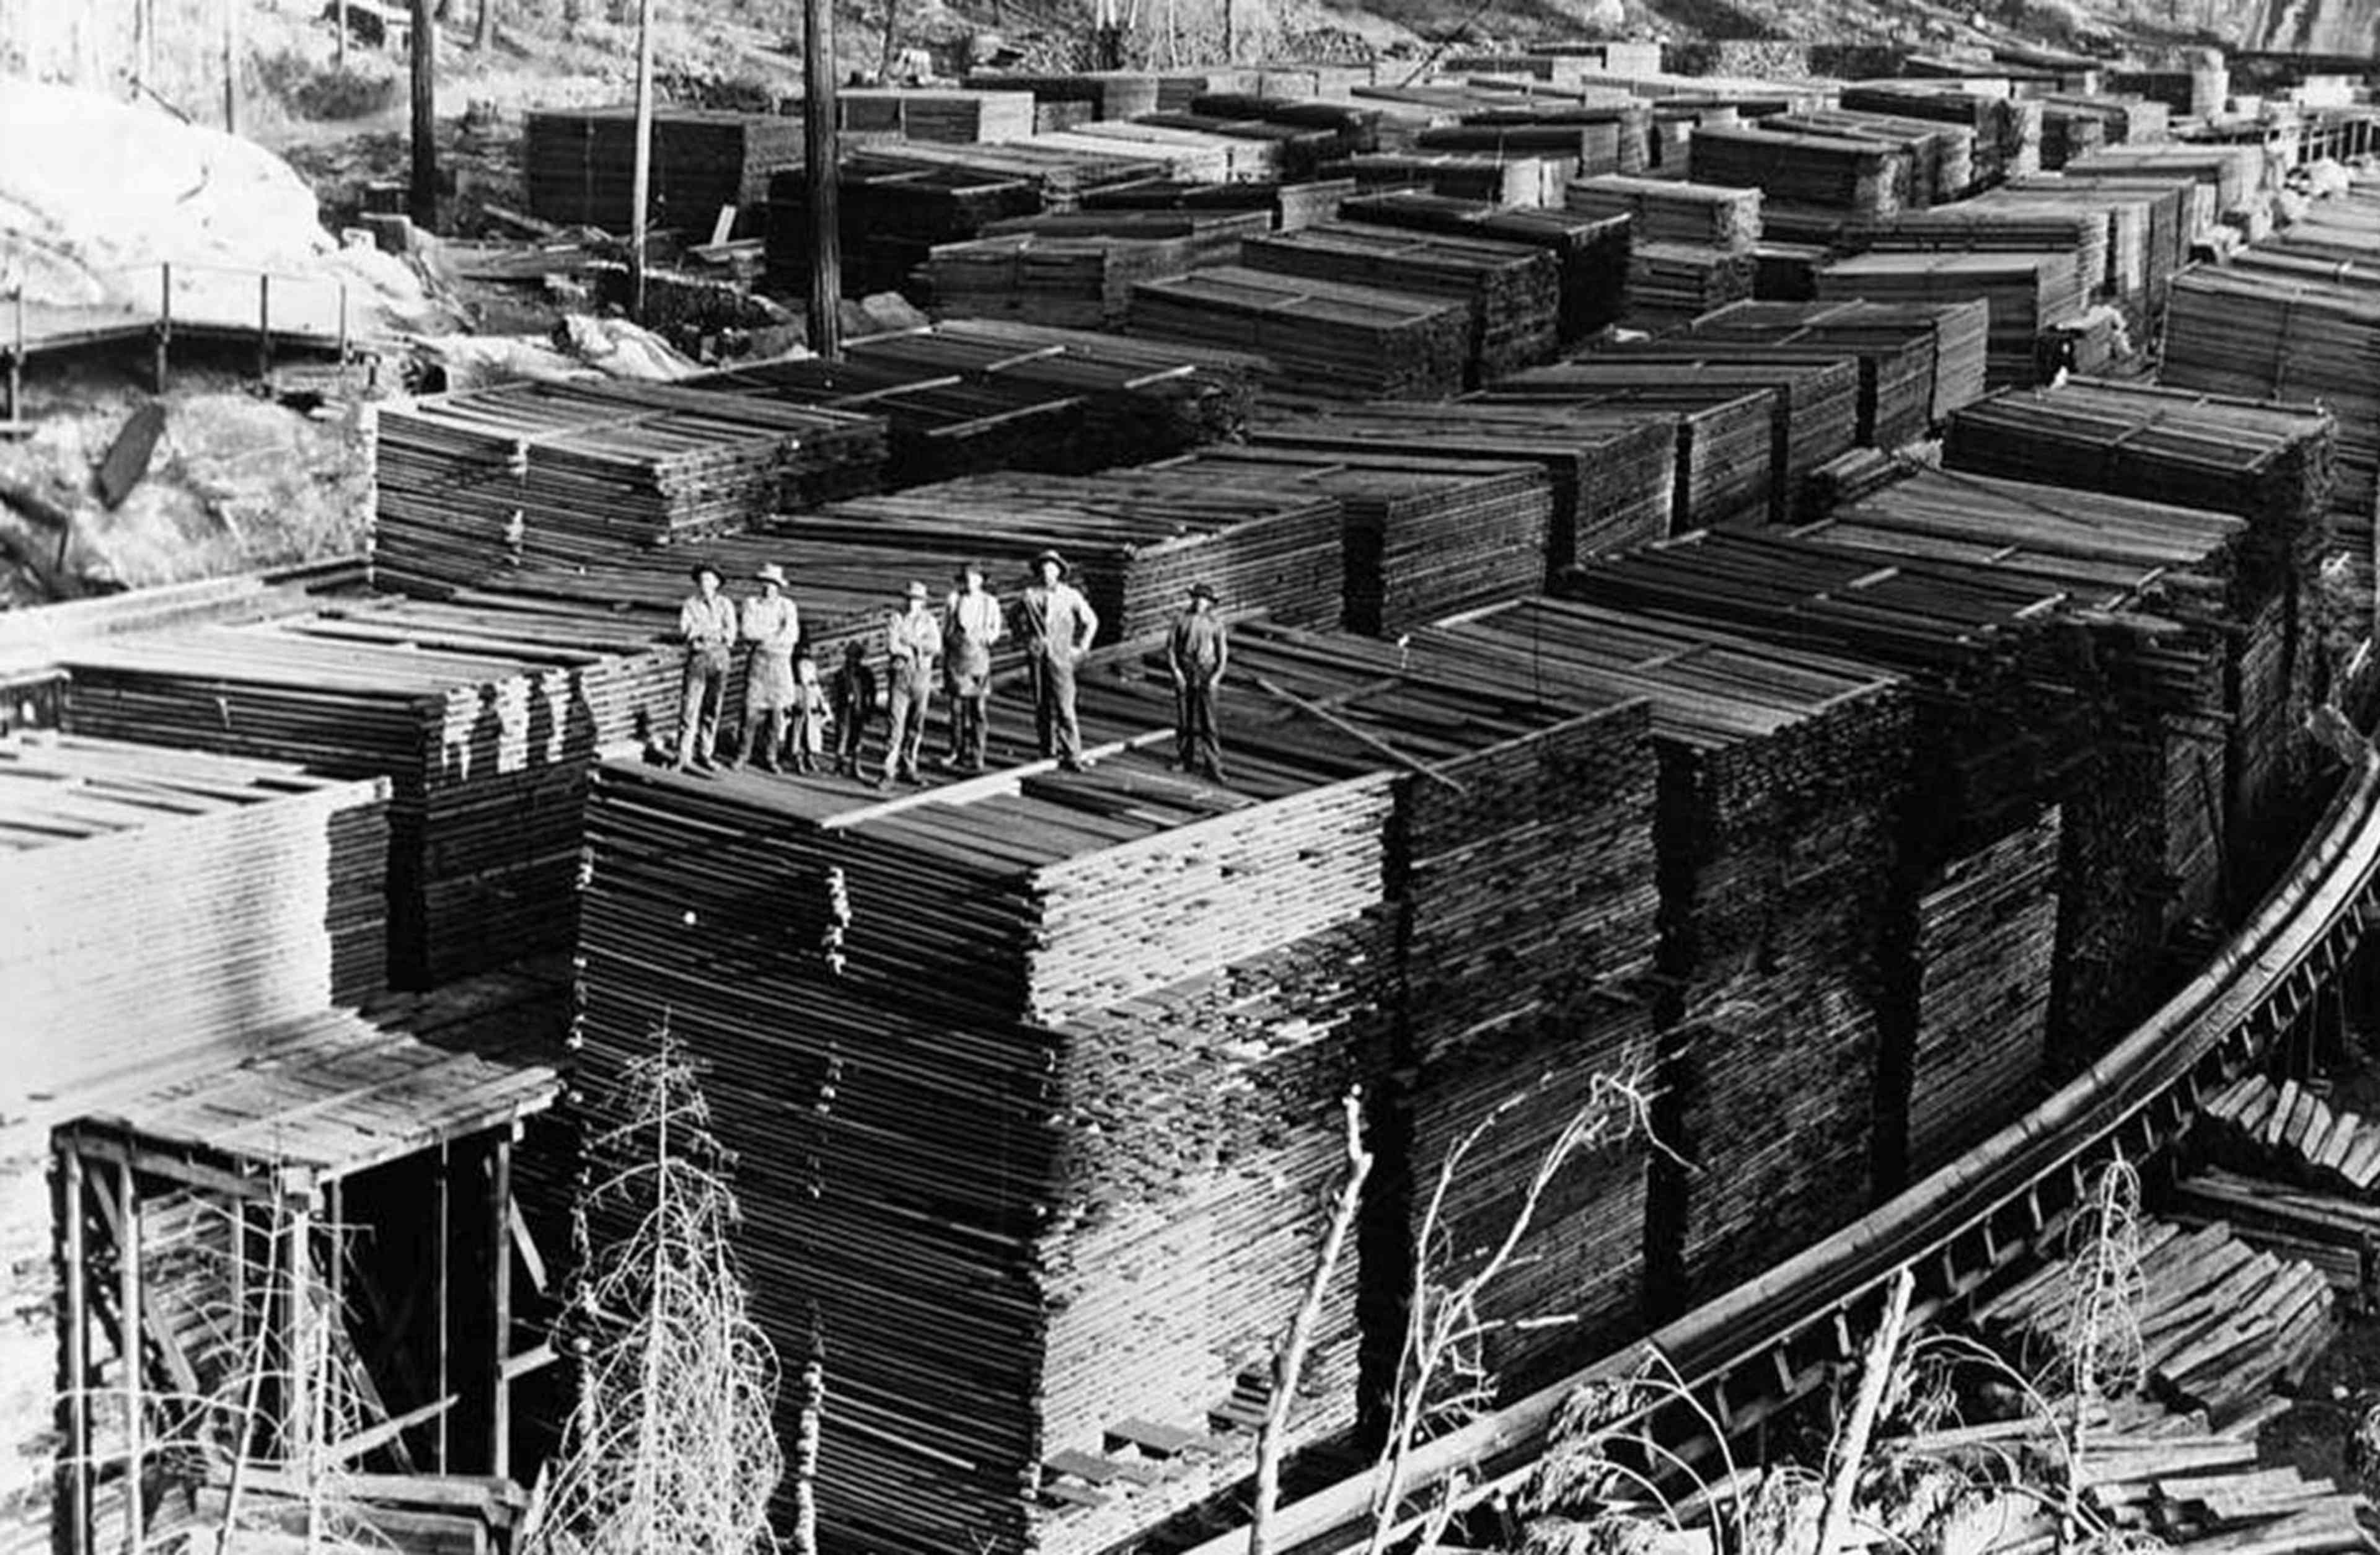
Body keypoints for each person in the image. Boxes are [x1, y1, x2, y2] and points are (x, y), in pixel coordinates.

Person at [1017, 548, 1099, 771]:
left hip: (1061, 656)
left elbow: (1091, 621)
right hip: (1038, 656)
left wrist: (1082, 647)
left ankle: (1073, 753)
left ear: (1059, 572)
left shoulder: (1070, 596)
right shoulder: (1030, 596)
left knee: (1065, 706)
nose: (1047, 574)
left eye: (1052, 569)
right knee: (1041, 704)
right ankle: (1047, 750)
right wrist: (1024, 639)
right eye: (1044, 569)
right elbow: (1013, 617)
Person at [730, 562, 800, 772]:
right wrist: (774, 634)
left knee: (776, 713)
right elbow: (748, 631)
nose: (768, 588)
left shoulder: (787, 606)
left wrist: (766, 638)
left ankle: (771, 756)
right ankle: (743, 754)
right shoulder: (752, 604)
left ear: (779, 587)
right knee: (750, 711)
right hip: (759, 661)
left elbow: (791, 635)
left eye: (773, 584)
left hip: (780, 662)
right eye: (765, 584)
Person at [941, 561, 1004, 773]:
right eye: (967, 578)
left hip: (979, 661)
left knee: (978, 710)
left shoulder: (990, 603)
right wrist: (949, 644)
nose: (970, 582)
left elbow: (996, 628)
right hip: (957, 660)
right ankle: (956, 751)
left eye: (974, 577)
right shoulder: (954, 600)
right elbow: (946, 628)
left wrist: (987, 638)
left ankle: (978, 754)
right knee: (956, 710)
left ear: (981, 580)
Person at [673, 562, 737, 770]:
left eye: (709, 580)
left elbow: (731, 634)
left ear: (717, 583)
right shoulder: (690, 604)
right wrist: (712, 631)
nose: (705, 584)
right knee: (690, 708)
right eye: (702, 580)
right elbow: (686, 631)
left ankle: (705, 753)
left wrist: (703, 631)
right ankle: (683, 755)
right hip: (698, 659)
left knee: (713, 708)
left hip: (720, 659)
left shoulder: (725, 605)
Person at [879, 581, 943, 786]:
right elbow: (892, 646)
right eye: (908, 599)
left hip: (922, 676)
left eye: (916, 600)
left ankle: (909, 765)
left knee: (916, 723)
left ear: (923, 602)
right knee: (895, 724)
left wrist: (911, 643)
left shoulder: (929, 621)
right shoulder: (896, 618)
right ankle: (889, 770)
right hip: (901, 674)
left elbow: (936, 646)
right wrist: (915, 651)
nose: (911, 603)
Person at [1167, 581, 1228, 780]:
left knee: (1208, 722)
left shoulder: (1215, 623)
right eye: (1197, 598)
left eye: (1204, 599)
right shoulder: (1180, 620)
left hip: (1206, 671)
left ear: (1210, 603)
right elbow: (1171, 648)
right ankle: (1185, 759)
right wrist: (1176, 672)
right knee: (1185, 720)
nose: (1200, 602)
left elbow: (1222, 654)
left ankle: (1213, 765)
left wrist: (1216, 678)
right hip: (1186, 670)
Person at [829, 640, 878, 778]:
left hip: (859, 708)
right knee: (842, 735)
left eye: (856, 656)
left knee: (857, 736)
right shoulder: (841, 674)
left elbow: (872, 692)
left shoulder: (866, 673)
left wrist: (870, 708)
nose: (853, 660)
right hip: (844, 709)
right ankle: (839, 764)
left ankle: (855, 764)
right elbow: (835, 693)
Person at [786, 648, 828, 774]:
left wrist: (823, 708)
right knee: (797, 733)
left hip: (811, 708)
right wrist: (790, 707)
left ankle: (809, 756)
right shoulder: (795, 686)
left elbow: (820, 696)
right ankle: (797, 758)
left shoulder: (814, 686)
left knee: (811, 734)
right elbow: (790, 698)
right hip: (800, 707)